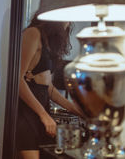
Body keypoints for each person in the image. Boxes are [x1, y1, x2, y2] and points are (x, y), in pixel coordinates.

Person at [16, 10, 83, 159]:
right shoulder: (33, 33)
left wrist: (73, 107)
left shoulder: (49, 42)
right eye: (67, 19)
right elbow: (18, 80)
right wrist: (43, 115)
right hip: (27, 108)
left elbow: (48, 87)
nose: (68, 24)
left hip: (42, 103)